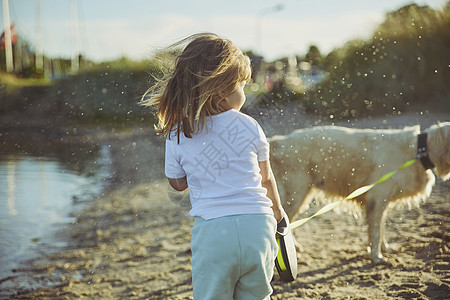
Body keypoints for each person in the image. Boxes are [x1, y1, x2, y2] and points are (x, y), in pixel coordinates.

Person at [143, 32, 286, 300]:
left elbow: (177, 184)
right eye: (241, 86)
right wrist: (279, 215)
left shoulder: (178, 131)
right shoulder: (250, 126)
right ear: (221, 91)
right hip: (258, 226)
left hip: (214, 233)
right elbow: (266, 179)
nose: (244, 94)